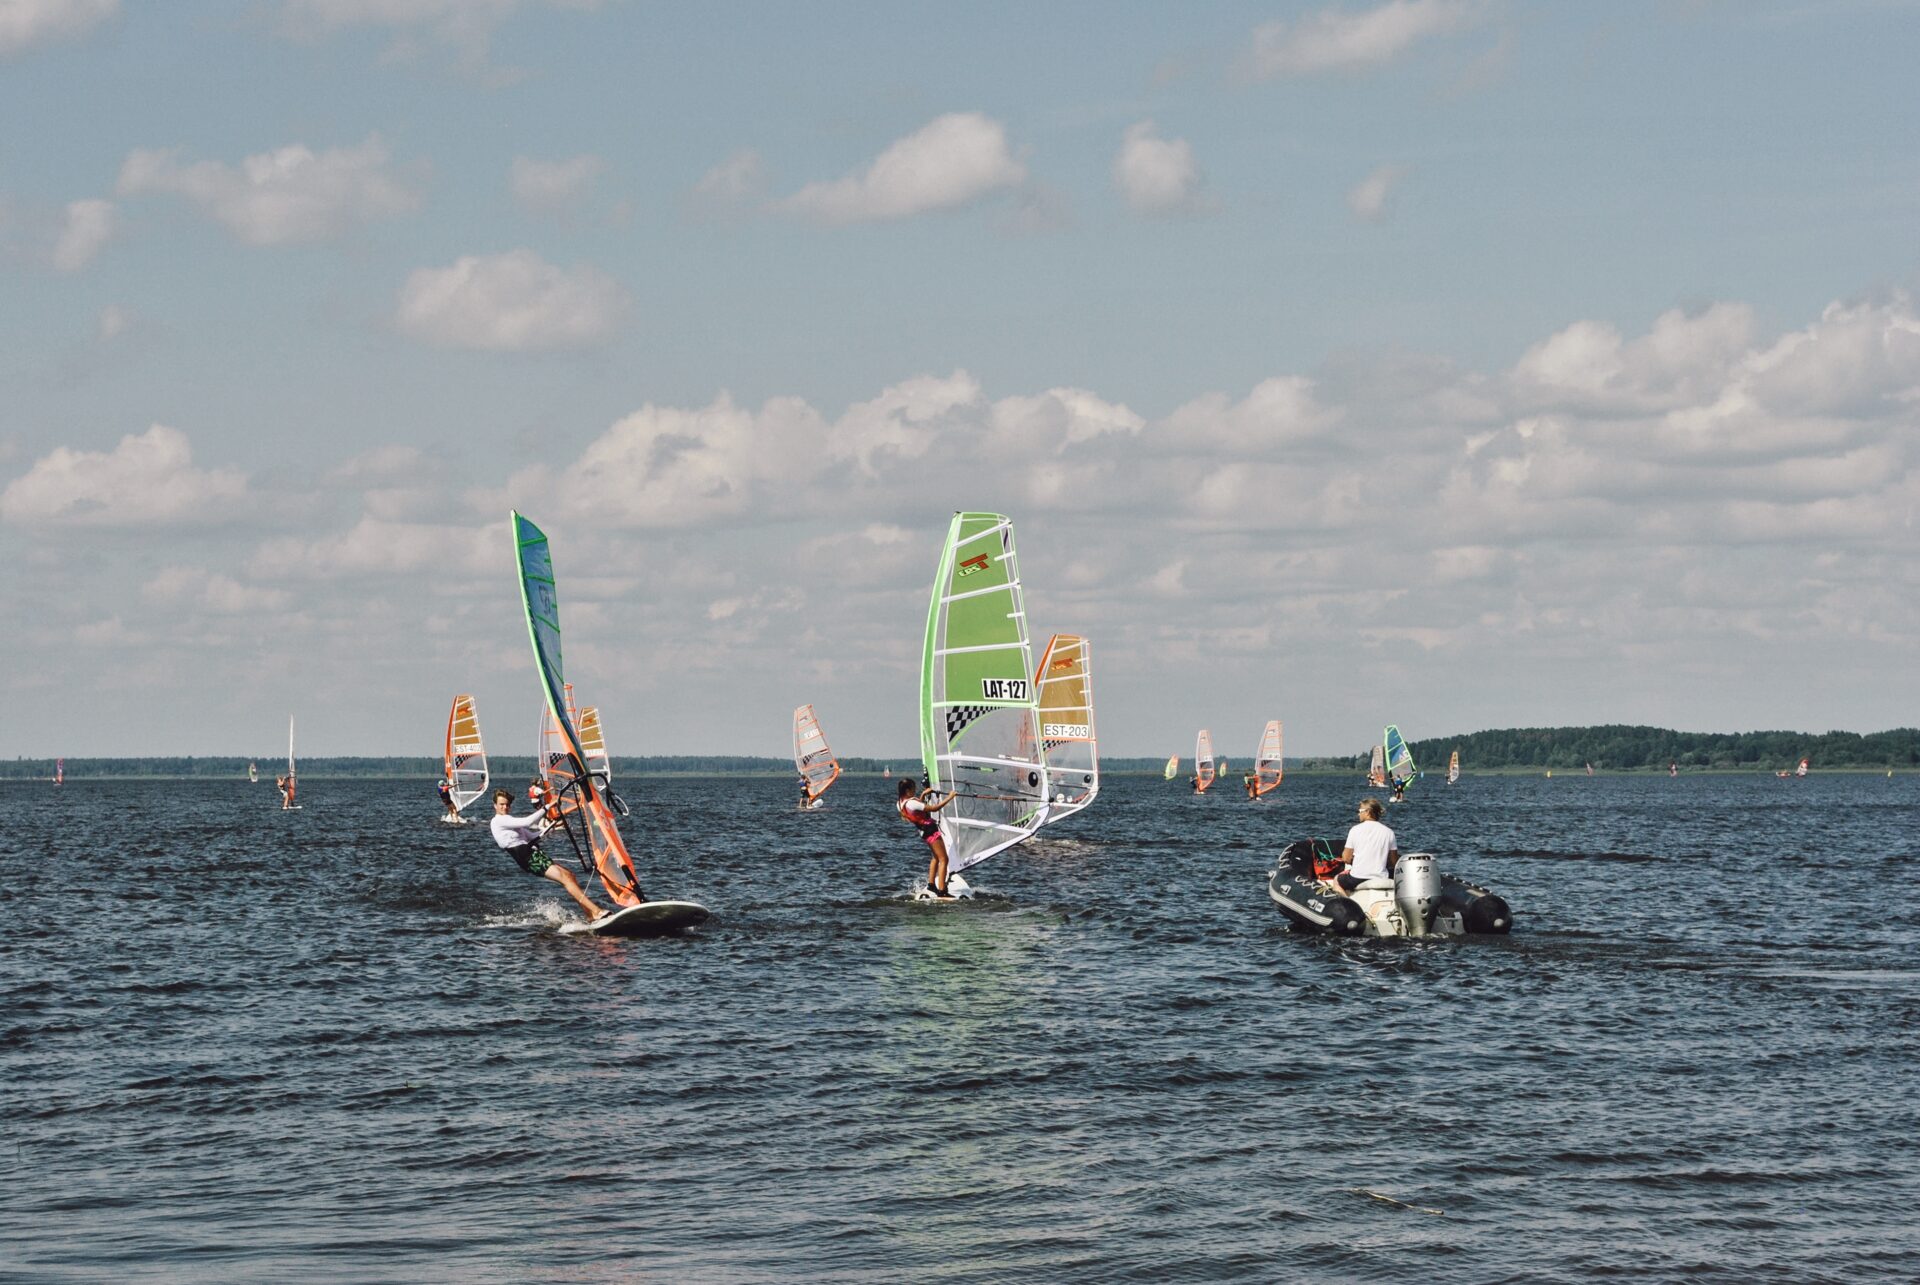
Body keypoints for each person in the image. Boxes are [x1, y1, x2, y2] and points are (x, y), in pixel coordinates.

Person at [487, 787, 607, 921]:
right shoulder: (498, 821)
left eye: (507, 804)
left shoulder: (510, 822)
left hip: (533, 854)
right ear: (495, 806)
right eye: (501, 804)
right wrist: (548, 806)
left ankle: (589, 915)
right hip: (527, 858)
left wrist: (552, 826)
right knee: (565, 879)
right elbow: (528, 821)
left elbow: (532, 836)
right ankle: (596, 911)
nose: (505, 807)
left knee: (570, 876)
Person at [896, 777, 957, 898]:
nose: (915, 790)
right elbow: (934, 808)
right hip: (930, 831)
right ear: (908, 791)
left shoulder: (900, 803)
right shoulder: (913, 803)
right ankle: (942, 891)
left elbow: (917, 808)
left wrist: (923, 794)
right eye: (914, 788)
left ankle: (931, 884)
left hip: (923, 832)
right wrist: (950, 797)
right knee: (944, 859)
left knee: (935, 857)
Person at [1328, 797, 1400, 893]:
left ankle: (1348, 904)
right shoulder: (1389, 832)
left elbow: (1346, 858)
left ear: (1368, 812)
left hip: (1357, 878)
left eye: (1360, 811)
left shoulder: (1355, 830)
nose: (1359, 814)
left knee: (1337, 880)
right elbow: (1394, 862)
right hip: (1381, 877)